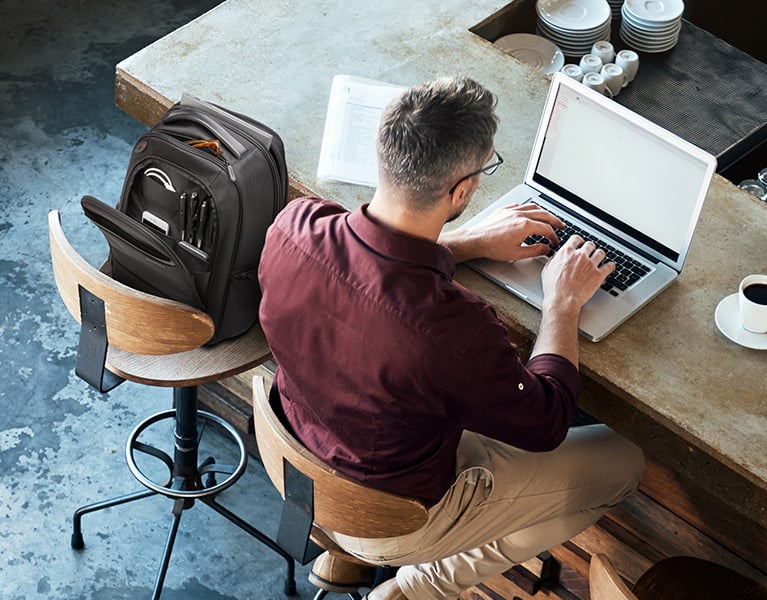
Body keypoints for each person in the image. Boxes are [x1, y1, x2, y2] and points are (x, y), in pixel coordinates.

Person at [257, 75, 644, 600]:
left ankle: (344, 555)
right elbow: (546, 422)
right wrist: (562, 302)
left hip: (299, 459)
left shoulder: (294, 226)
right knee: (623, 461)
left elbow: (375, 274)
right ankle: (418, 587)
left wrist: (468, 242)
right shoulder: (453, 330)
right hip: (395, 513)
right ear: (461, 191)